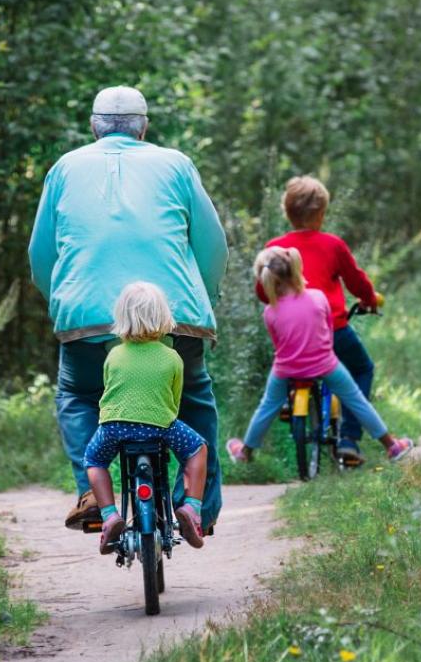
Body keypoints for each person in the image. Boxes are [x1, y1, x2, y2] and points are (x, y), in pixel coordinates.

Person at [28, 85, 228, 532]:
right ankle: (199, 508)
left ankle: (92, 496)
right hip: (174, 316)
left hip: (86, 319)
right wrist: (203, 298)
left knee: (79, 396)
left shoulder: (64, 168)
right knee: (194, 400)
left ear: (93, 126)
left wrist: (63, 302)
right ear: (145, 128)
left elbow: (41, 257)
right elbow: (213, 248)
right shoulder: (176, 164)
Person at [228, 246, 412, 462]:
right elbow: (327, 332)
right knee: (356, 399)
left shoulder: (270, 312)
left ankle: (245, 452)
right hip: (325, 364)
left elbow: (279, 346)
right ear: (295, 268)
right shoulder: (318, 297)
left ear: (267, 280)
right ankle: (392, 446)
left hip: (286, 369)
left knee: (268, 405)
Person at [254, 175, 382, 465]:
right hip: (333, 329)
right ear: (322, 214)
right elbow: (356, 281)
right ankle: (349, 438)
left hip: (291, 331)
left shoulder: (275, 246)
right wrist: (370, 300)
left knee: (284, 356)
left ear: (287, 213)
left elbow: (263, 290)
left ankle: (289, 397)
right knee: (362, 368)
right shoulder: (333, 245)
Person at [85, 283, 207, 553]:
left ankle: (109, 515)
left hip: (114, 427)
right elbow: (173, 401)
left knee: (94, 461)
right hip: (161, 426)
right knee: (198, 449)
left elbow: (110, 389)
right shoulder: (172, 357)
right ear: (163, 316)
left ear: (122, 318)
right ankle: (192, 509)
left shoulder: (113, 355)